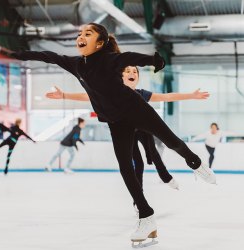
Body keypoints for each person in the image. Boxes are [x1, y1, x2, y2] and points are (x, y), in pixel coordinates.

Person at [12, 23, 216, 245]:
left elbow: (129, 57)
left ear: (100, 43)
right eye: (80, 34)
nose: (81, 36)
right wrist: (19, 54)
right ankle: (146, 216)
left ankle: (195, 163)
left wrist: (153, 60)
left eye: (87, 34)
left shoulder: (109, 59)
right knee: (125, 168)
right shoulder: (76, 64)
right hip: (116, 121)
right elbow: (48, 55)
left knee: (171, 141)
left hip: (136, 109)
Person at [46, 66, 210, 194]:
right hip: (126, 130)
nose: (132, 73)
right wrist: (64, 95)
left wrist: (191, 95)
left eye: (135, 71)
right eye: (128, 71)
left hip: (144, 129)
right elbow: (87, 96)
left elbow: (166, 97)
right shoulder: (110, 93)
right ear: (120, 76)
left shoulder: (141, 94)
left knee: (153, 152)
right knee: (137, 163)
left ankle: (166, 177)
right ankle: (138, 200)